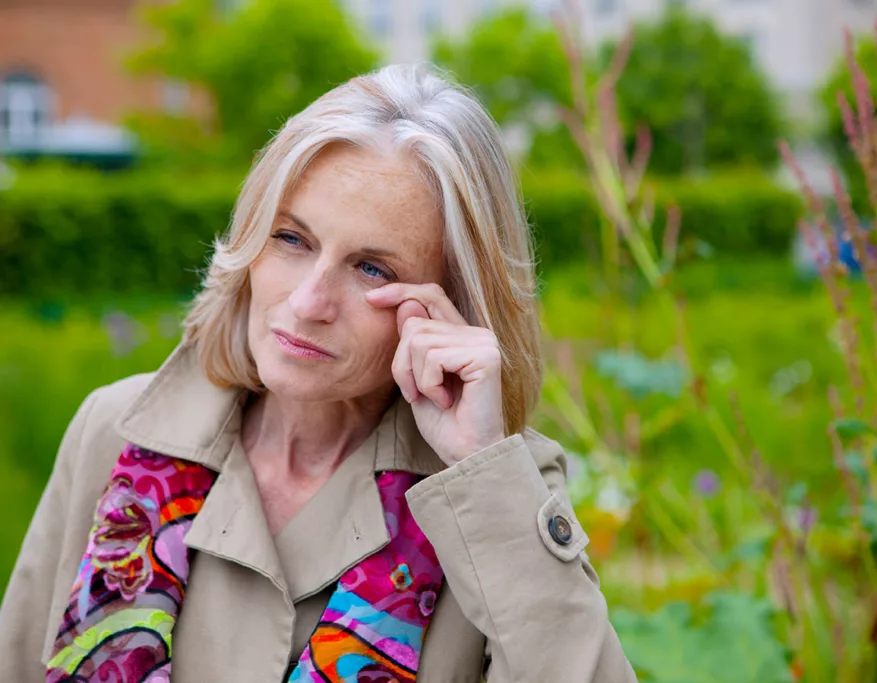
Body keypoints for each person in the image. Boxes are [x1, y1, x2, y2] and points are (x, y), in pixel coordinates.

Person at [0, 64, 638, 682]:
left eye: (372, 269)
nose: (307, 303)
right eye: (291, 239)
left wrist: (484, 472)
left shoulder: (495, 486)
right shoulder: (113, 431)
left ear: (451, 306)